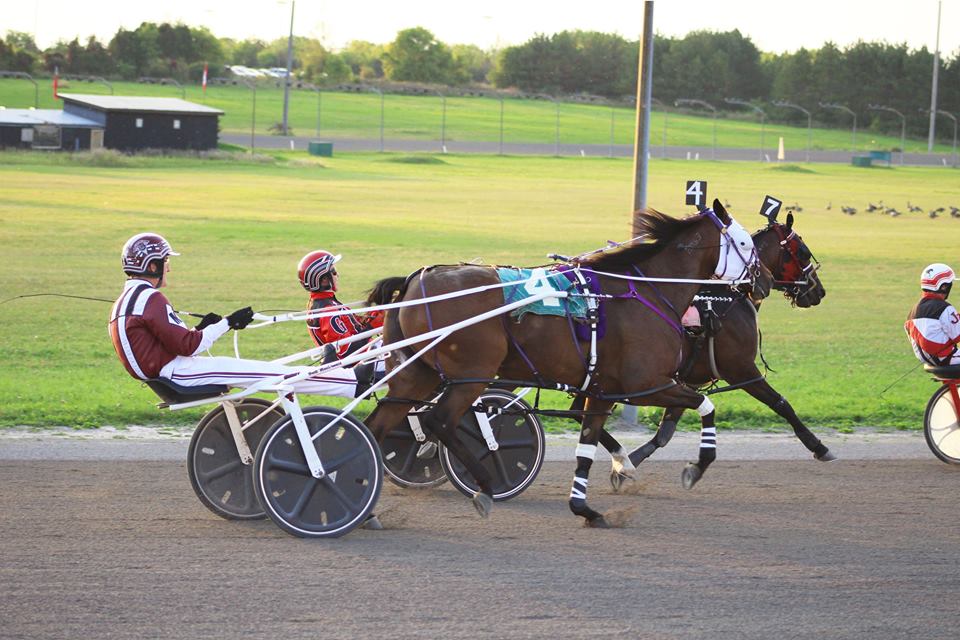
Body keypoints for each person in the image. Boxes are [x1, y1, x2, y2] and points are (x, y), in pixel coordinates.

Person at [109, 233, 366, 398]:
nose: (169, 267)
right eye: (165, 261)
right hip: (177, 374)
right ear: (152, 266)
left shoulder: (128, 300)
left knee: (267, 372)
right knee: (273, 375)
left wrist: (202, 327)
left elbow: (176, 342)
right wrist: (227, 323)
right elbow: (190, 345)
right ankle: (350, 383)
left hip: (173, 371)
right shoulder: (151, 299)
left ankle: (344, 380)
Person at [298, 249, 384, 364]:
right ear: (324, 280)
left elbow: (351, 328)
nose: (337, 275)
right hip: (358, 367)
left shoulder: (325, 302)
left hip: (366, 356)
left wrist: (368, 318)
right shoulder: (327, 311)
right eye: (333, 272)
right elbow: (347, 351)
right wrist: (371, 327)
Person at [905, 263, 960, 366]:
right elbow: (957, 336)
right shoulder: (944, 308)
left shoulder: (912, 312)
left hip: (927, 361)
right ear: (944, 287)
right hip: (947, 359)